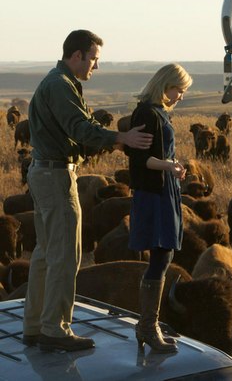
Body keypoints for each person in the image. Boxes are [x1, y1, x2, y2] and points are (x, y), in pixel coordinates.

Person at [22, 29, 154, 352]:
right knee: (66, 253)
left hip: (44, 173)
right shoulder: (60, 86)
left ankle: (35, 324)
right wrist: (122, 138)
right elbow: (79, 129)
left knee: (45, 252)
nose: (96, 65)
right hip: (56, 177)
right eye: (93, 58)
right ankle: (56, 328)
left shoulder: (59, 83)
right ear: (77, 55)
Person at [128, 63, 192, 353]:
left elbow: (156, 155)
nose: (181, 95)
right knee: (161, 255)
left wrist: (173, 167)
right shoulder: (147, 113)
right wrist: (169, 165)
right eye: (179, 89)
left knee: (163, 254)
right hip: (154, 192)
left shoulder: (159, 113)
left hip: (164, 189)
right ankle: (147, 326)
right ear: (165, 85)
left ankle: (148, 326)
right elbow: (140, 159)